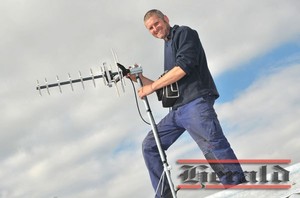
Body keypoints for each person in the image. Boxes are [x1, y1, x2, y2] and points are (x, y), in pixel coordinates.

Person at [132, 9, 246, 198]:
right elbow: (166, 87)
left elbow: (182, 69)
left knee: (212, 146)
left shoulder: (184, 33)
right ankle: (165, 195)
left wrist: (150, 89)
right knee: (150, 146)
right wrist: (138, 78)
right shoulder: (167, 46)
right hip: (177, 111)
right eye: (150, 28)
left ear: (165, 19)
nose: (154, 29)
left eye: (156, 23)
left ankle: (238, 190)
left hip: (195, 102)